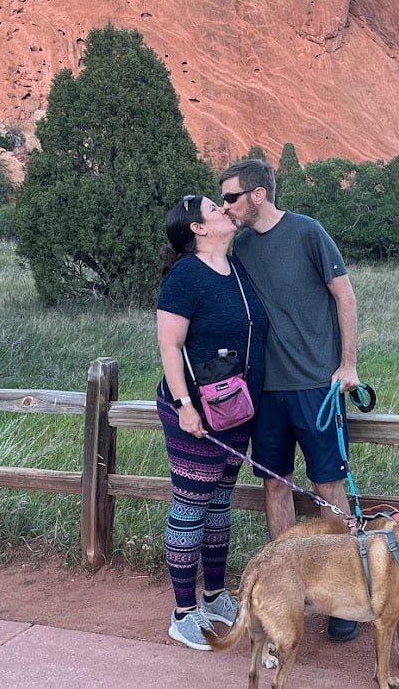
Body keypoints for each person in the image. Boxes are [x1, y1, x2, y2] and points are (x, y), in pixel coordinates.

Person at [218, 157, 361, 642]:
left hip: (316, 387)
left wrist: (348, 365)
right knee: (275, 488)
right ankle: (287, 588)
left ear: (258, 194)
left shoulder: (307, 232)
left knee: (329, 489)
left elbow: (345, 296)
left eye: (231, 197)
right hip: (265, 392)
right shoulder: (239, 248)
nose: (226, 206)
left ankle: (342, 594)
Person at [155, 193, 269, 650]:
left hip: (234, 410)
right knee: (190, 507)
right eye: (214, 209)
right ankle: (183, 613)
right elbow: (169, 347)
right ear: (197, 229)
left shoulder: (236, 268)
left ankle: (216, 595)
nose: (224, 210)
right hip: (196, 411)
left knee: (219, 505)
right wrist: (185, 405)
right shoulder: (186, 276)